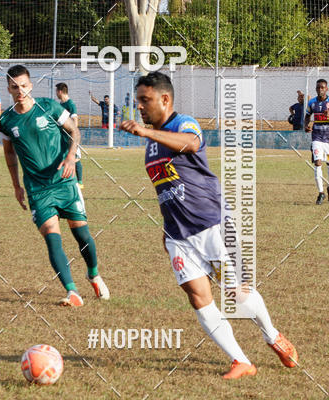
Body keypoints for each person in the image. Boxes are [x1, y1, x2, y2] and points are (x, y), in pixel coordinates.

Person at [120, 72, 298, 379]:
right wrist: (167, 229)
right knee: (198, 297)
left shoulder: (184, 123)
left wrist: (146, 132)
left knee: (237, 295)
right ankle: (240, 361)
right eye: (138, 101)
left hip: (212, 225)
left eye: (145, 100)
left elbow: (191, 144)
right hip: (178, 235)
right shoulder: (151, 143)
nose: (139, 106)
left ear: (165, 99)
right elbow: (165, 188)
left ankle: (272, 336)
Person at [0, 65, 109, 306]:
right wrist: (16, 185)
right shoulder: (6, 121)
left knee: (82, 235)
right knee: (51, 236)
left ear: (31, 86)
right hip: (37, 190)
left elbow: (74, 132)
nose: (20, 91)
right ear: (8, 89)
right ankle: (72, 292)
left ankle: (93, 274)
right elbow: (9, 153)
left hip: (64, 181)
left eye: (24, 86)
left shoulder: (48, 107)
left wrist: (71, 157)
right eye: (15, 87)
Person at [304, 79, 329, 205]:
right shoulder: (312, 102)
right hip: (317, 137)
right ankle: (321, 193)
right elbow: (307, 116)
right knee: (318, 163)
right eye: (318, 87)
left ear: (326, 89)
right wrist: (306, 125)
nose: (320, 89)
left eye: (322, 87)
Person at [55, 82, 84, 189]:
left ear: (60, 91)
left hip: (70, 136)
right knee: (62, 156)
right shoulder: (60, 104)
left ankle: (80, 182)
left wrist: (73, 134)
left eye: (56, 91)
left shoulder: (70, 104)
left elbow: (75, 119)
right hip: (61, 136)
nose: (56, 93)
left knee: (75, 158)